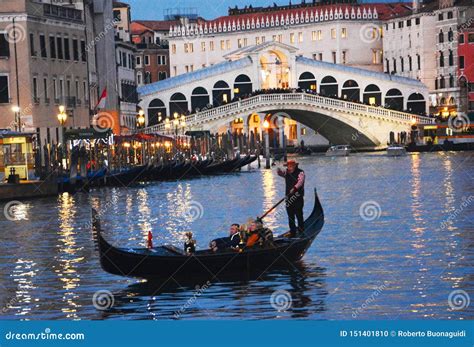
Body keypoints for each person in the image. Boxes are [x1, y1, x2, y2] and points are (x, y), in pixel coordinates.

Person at [277, 159, 305, 238]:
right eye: (288, 166)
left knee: (299, 215)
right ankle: (292, 232)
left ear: (295, 166)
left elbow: (300, 182)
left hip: (297, 197)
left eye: (291, 166)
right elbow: (280, 173)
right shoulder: (287, 173)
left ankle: (301, 231)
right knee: (290, 216)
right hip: (289, 198)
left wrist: (294, 188)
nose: (289, 167)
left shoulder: (301, 172)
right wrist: (278, 169)